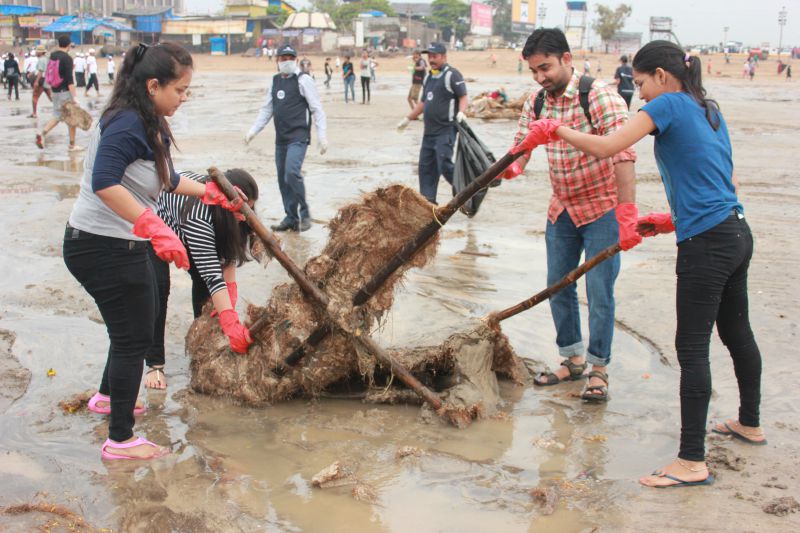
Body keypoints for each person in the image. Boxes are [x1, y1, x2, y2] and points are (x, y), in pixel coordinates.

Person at [541, 40, 764, 489]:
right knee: (737, 331)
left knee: (692, 346)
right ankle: (749, 423)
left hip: (708, 243)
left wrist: (555, 130)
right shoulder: (708, 107)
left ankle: (691, 461)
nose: (638, 94)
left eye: (640, 84)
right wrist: (670, 220)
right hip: (736, 231)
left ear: (662, 77)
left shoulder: (671, 106)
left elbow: (609, 147)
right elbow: (725, 174)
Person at [63, 42, 248, 460]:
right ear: (153, 85)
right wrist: (154, 227)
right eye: (180, 90)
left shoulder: (151, 121)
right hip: (102, 245)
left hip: (114, 242)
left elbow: (164, 178)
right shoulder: (127, 124)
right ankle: (121, 439)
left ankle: (109, 399)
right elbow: (104, 182)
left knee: (128, 330)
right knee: (135, 338)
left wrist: (210, 193)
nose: (184, 98)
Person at [504, 28, 637, 402]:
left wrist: (626, 213)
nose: (540, 77)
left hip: (602, 209)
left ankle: (599, 369)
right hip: (562, 207)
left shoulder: (597, 96)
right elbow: (521, 145)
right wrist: (510, 167)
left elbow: (623, 154)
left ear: (566, 58)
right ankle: (572, 359)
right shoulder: (537, 100)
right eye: (533, 71)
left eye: (545, 67)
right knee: (557, 286)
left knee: (599, 292)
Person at [145, 169, 259, 390]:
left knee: (206, 293)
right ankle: (154, 364)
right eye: (242, 210)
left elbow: (228, 255)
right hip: (159, 224)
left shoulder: (238, 211)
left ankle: (201, 348)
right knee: (159, 289)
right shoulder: (199, 215)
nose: (245, 215)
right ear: (226, 204)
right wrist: (230, 321)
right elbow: (211, 273)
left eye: (249, 208)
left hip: (194, 228)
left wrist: (231, 292)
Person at [244, 44, 328, 232]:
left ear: (296, 60)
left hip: (298, 137)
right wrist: (253, 131)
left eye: (291, 58)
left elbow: (317, 109)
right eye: (283, 58)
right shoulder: (275, 81)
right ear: (277, 61)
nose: (287, 61)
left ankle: (305, 213)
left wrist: (322, 136)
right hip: (281, 139)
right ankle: (291, 217)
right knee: (283, 180)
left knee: (292, 172)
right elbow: (267, 110)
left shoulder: (303, 80)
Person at [396, 42, 468, 203]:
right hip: (429, 132)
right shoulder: (429, 76)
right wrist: (408, 118)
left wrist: (462, 112)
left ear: (444, 57)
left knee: (445, 165)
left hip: (446, 130)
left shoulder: (452, 75)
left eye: (435, 56)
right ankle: (428, 203)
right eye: (430, 56)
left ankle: (467, 192)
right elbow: (423, 103)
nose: (431, 60)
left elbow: (463, 96)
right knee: (426, 168)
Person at [36, 36, 81, 152]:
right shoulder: (67, 58)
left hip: (55, 90)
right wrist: (75, 97)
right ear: (69, 45)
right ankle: (72, 145)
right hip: (65, 92)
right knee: (71, 119)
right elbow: (70, 80)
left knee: (57, 115)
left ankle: (42, 133)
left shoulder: (53, 55)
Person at [29, 45, 52, 118]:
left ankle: (34, 113)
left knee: (35, 97)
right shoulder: (46, 59)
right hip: (47, 80)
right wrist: (32, 73)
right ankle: (61, 110)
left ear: (41, 52)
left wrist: (36, 81)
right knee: (51, 97)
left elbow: (41, 71)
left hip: (41, 80)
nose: (36, 52)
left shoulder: (41, 60)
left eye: (37, 51)